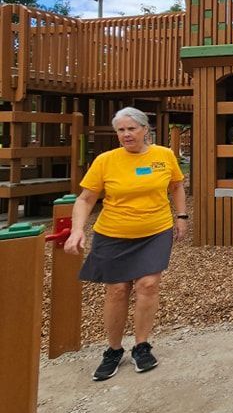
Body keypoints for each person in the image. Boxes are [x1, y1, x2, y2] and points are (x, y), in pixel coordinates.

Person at [64, 107, 187, 381]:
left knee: (148, 285)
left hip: (154, 230)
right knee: (118, 290)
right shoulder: (106, 161)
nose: (126, 134)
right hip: (113, 233)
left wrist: (181, 216)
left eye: (131, 129)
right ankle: (113, 349)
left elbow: (177, 186)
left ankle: (142, 345)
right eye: (121, 130)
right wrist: (76, 230)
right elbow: (85, 199)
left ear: (145, 129)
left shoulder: (163, 156)